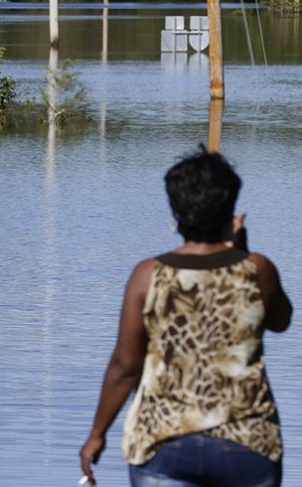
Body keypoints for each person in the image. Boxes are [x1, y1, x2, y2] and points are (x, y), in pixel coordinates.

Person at [79, 150, 293, 486]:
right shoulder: (257, 270)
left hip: (164, 439)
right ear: (230, 210)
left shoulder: (148, 276)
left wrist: (97, 433)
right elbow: (281, 320)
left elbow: (125, 367)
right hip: (248, 441)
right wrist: (241, 252)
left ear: (177, 214)